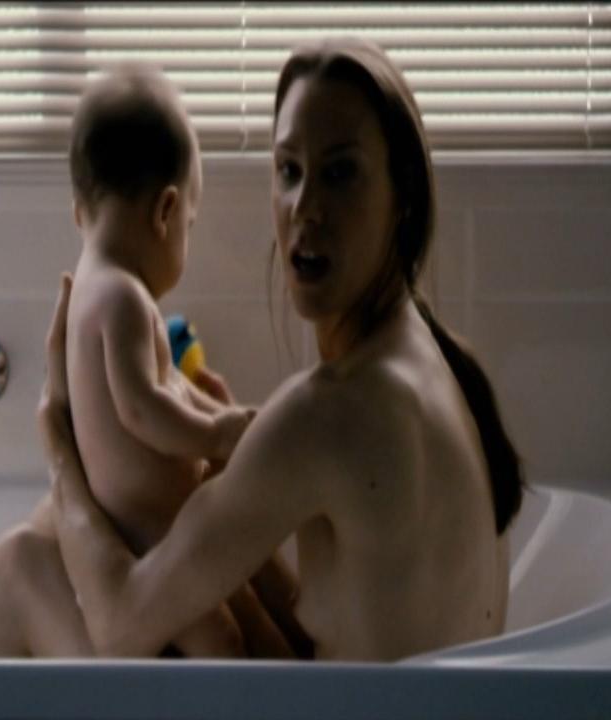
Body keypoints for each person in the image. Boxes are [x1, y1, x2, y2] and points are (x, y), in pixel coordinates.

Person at [44, 38, 525, 661]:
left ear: (402, 195)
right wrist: (234, 476)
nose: (306, 208)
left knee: (23, 567)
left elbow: (118, 626)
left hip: (364, 711)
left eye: (340, 173)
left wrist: (59, 445)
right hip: (427, 705)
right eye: (289, 171)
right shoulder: (444, 363)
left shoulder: (326, 413)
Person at [0, 64, 299, 658]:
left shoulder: (92, 286)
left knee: (232, 624)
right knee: (222, 637)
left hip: (134, 522)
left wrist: (209, 407)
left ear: (78, 210)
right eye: (189, 224)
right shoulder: (124, 296)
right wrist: (216, 432)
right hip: (146, 528)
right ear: (165, 211)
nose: (185, 237)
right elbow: (142, 406)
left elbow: (159, 387)